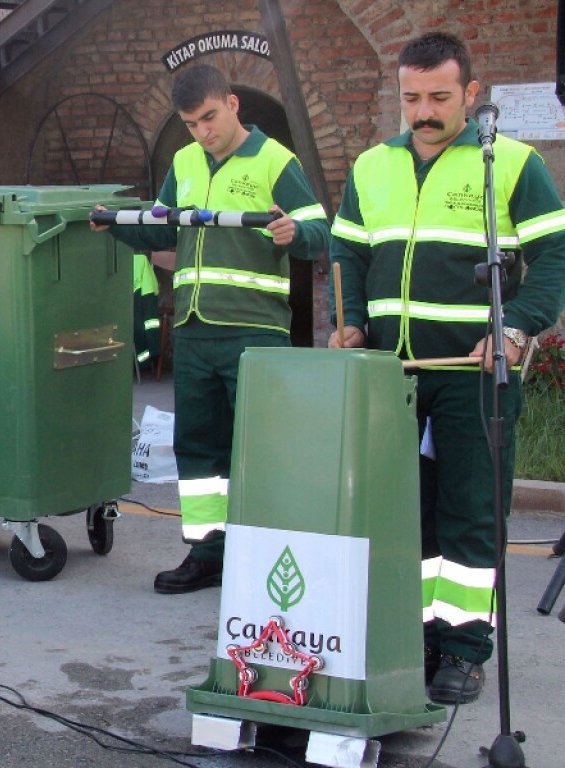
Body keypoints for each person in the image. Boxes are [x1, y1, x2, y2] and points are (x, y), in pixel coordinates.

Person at [328, 32, 565, 705]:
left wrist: (516, 326)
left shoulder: (510, 164)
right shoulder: (373, 166)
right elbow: (347, 252)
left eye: (438, 97)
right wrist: (346, 318)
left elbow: (556, 255)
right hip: (393, 373)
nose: (423, 112)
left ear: (470, 94)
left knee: (468, 514)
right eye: (411, 98)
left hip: (472, 372)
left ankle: (463, 648)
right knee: (405, 515)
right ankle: (415, 633)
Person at [91, 64, 330, 594]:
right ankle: (207, 556)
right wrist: (115, 225)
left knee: (260, 450)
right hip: (196, 330)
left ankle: (265, 560)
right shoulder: (183, 162)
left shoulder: (275, 160)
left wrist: (296, 231)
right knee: (197, 451)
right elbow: (161, 226)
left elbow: (322, 232)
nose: (203, 131)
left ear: (232, 105)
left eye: (209, 118)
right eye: (191, 123)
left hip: (256, 330)